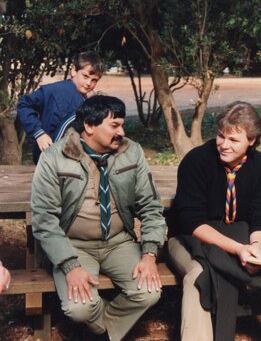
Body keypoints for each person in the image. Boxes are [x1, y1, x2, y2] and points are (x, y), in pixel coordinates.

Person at [167, 101, 261, 341]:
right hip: (190, 239)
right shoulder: (196, 161)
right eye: (221, 136)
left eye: (233, 140)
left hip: (241, 236)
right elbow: (192, 222)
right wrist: (238, 249)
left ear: (251, 141)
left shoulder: (260, 165)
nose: (224, 144)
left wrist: (255, 247)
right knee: (199, 274)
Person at [31, 95, 166, 341]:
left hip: (119, 242)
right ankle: (104, 332)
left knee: (149, 292)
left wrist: (148, 254)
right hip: (73, 245)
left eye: (122, 125)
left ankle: (101, 333)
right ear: (89, 126)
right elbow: (44, 220)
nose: (121, 132)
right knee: (79, 308)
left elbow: (150, 206)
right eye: (114, 126)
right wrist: (70, 265)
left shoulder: (131, 152)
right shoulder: (54, 157)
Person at [17, 51, 104, 163]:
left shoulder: (85, 101)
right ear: (73, 70)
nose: (88, 83)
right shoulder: (53, 91)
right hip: (48, 159)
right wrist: (39, 133)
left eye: (94, 80)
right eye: (85, 76)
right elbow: (24, 104)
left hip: (71, 162)